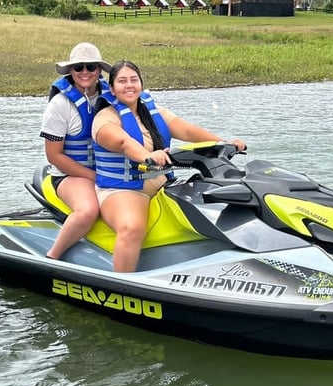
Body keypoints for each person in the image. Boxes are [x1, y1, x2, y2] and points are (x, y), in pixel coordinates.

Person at [92, 60, 247, 273]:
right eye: (122, 81)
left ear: (141, 84)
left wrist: (224, 143)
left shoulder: (154, 112)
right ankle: (123, 282)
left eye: (134, 80)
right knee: (132, 228)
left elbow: (189, 131)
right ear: (112, 88)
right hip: (124, 189)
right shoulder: (105, 118)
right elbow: (123, 143)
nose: (129, 85)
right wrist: (148, 156)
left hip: (163, 185)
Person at [40, 42, 111, 259]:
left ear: (99, 70)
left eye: (91, 67)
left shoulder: (111, 97)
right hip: (69, 175)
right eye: (78, 67)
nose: (85, 72)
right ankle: (53, 256)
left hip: (109, 171)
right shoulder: (60, 105)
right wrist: (94, 177)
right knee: (88, 210)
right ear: (71, 70)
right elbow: (54, 156)